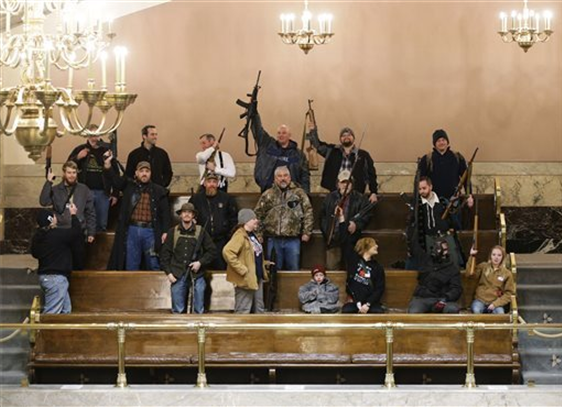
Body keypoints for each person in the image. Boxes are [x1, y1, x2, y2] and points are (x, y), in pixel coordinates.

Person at [103, 154, 170, 270]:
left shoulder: (159, 190)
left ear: (151, 173)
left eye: (147, 171)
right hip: (132, 230)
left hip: (150, 231)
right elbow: (115, 181)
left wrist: (165, 231)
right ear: (136, 173)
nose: (144, 174)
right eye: (141, 171)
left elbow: (165, 213)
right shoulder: (129, 186)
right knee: (131, 265)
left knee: (153, 264)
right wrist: (108, 165)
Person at [160, 203, 217, 314]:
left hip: (197, 274)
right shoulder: (172, 232)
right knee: (177, 312)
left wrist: (200, 262)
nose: (187, 214)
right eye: (184, 212)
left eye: (189, 212)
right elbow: (165, 255)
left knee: (199, 310)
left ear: (193, 215)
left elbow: (212, 251)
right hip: (177, 274)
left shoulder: (201, 231)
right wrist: (169, 273)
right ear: (180, 215)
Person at [254, 166, 314, 271]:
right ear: (275, 179)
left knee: (294, 269)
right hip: (273, 239)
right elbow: (258, 214)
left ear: (290, 178)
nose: (283, 178)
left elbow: (308, 212)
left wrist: (307, 232)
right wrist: (258, 233)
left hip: (293, 239)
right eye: (279, 176)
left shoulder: (299, 193)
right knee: (273, 270)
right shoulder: (268, 194)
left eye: (285, 176)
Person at [31, 205, 85, 314]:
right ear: (51, 220)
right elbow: (76, 232)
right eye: (54, 216)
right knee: (52, 313)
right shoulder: (57, 235)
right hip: (56, 279)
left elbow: (35, 254)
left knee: (65, 311)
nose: (56, 217)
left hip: (45, 277)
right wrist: (73, 214)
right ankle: (43, 326)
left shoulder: (37, 237)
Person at [307, 124, 378, 203]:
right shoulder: (331, 151)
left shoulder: (363, 155)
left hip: (356, 195)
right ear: (340, 139)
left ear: (353, 138)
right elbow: (317, 145)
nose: (346, 137)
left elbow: (371, 174)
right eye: (343, 135)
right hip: (334, 194)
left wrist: (373, 192)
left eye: (349, 135)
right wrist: (313, 131)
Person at [407, 176, 464, 269]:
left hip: (445, 237)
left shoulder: (442, 202)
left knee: (453, 263)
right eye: (419, 189)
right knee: (430, 267)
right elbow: (412, 225)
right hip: (429, 238)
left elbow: (453, 219)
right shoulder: (418, 205)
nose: (422, 191)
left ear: (430, 187)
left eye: (424, 188)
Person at [249, 106, 310, 193]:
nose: (281, 135)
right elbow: (258, 130)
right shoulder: (268, 146)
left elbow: (305, 177)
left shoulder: (298, 155)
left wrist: (305, 195)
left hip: (291, 193)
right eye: (279, 133)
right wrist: (254, 112)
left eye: (284, 133)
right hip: (269, 192)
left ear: (289, 135)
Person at [68, 132, 120, 232]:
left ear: (99, 135)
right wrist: (78, 157)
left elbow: (115, 174)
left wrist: (115, 193)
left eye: (96, 135)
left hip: (103, 192)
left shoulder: (106, 151)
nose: (94, 138)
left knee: (101, 224)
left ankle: (99, 242)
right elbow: (68, 167)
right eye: (91, 135)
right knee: (83, 222)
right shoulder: (80, 149)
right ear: (87, 136)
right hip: (84, 192)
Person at [320, 170, 372, 270]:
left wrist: (356, 225)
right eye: (343, 182)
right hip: (334, 242)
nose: (345, 185)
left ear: (352, 184)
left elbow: (366, 216)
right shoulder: (330, 198)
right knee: (332, 271)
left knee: (352, 270)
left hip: (352, 242)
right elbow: (322, 217)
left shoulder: (360, 198)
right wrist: (328, 233)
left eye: (348, 182)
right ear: (338, 184)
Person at [223, 209, 270, 314]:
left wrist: (264, 264)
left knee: (259, 309)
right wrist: (242, 269)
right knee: (243, 310)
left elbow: (252, 255)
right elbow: (227, 252)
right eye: (253, 218)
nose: (256, 220)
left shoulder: (252, 235)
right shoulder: (240, 235)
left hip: (256, 277)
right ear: (246, 221)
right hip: (245, 279)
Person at [418, 129, 474, 213]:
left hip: (453, 201)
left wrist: (469, 195)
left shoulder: (457, 157)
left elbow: (466, 178)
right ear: (435, 144)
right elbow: (419, 180)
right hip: (433, 201)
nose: (441, 143)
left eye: (443, 140)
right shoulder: (426, 159)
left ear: (447, 142)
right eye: (438, 141)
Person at [40, 161, 96, 244]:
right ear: (64, 173)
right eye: (69, 173)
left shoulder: (84, 189)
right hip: (60, 230)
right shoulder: (56, 190)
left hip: (78, 230)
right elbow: (43, 202)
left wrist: (91, 232)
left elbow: (90, 212)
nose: (72, 175)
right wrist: (49, 182)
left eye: (74, 172)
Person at [190, 172, 238, 270]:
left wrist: (228, 236)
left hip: (221, 242)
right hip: (202, 242)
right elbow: (189, 217)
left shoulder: (226, 199)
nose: (211, 184)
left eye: (214, 182)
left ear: (218, 184)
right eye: (209, 182)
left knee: (221, 269)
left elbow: (233, 219)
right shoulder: (196, 199)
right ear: (204, 183)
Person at [408, 237, 462, 314]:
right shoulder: (425, 262)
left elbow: (456, 289)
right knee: (414, 311)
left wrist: (445, 299)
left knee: (452, 309)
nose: (443, 252)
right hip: (423, 298)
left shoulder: (452, 269)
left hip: (443, 299)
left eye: (445, 250)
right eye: (439, 249)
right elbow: (414, 246)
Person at [467, 245, 515, 314]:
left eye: (499, 255)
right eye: (494, 255)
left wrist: (495, 304)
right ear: (490, 256)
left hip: (495, 302)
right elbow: (470, 274)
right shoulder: (483, 266)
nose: (496, 257)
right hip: (480, 300)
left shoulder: (507, 273)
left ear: (503, 257)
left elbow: (509, 293)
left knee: (500, 313)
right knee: (476, 310)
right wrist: (472, 256)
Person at [342, 238, 386, 314]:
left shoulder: (377, 267)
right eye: (373, 244)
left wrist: (368, 304)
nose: (377, 246)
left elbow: (379, 288)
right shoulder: (353, 261)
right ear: (365, 247)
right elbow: (350, 284)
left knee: (378, 312)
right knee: (347, 310)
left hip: (371, 303)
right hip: (355, 301)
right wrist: (357, 301)